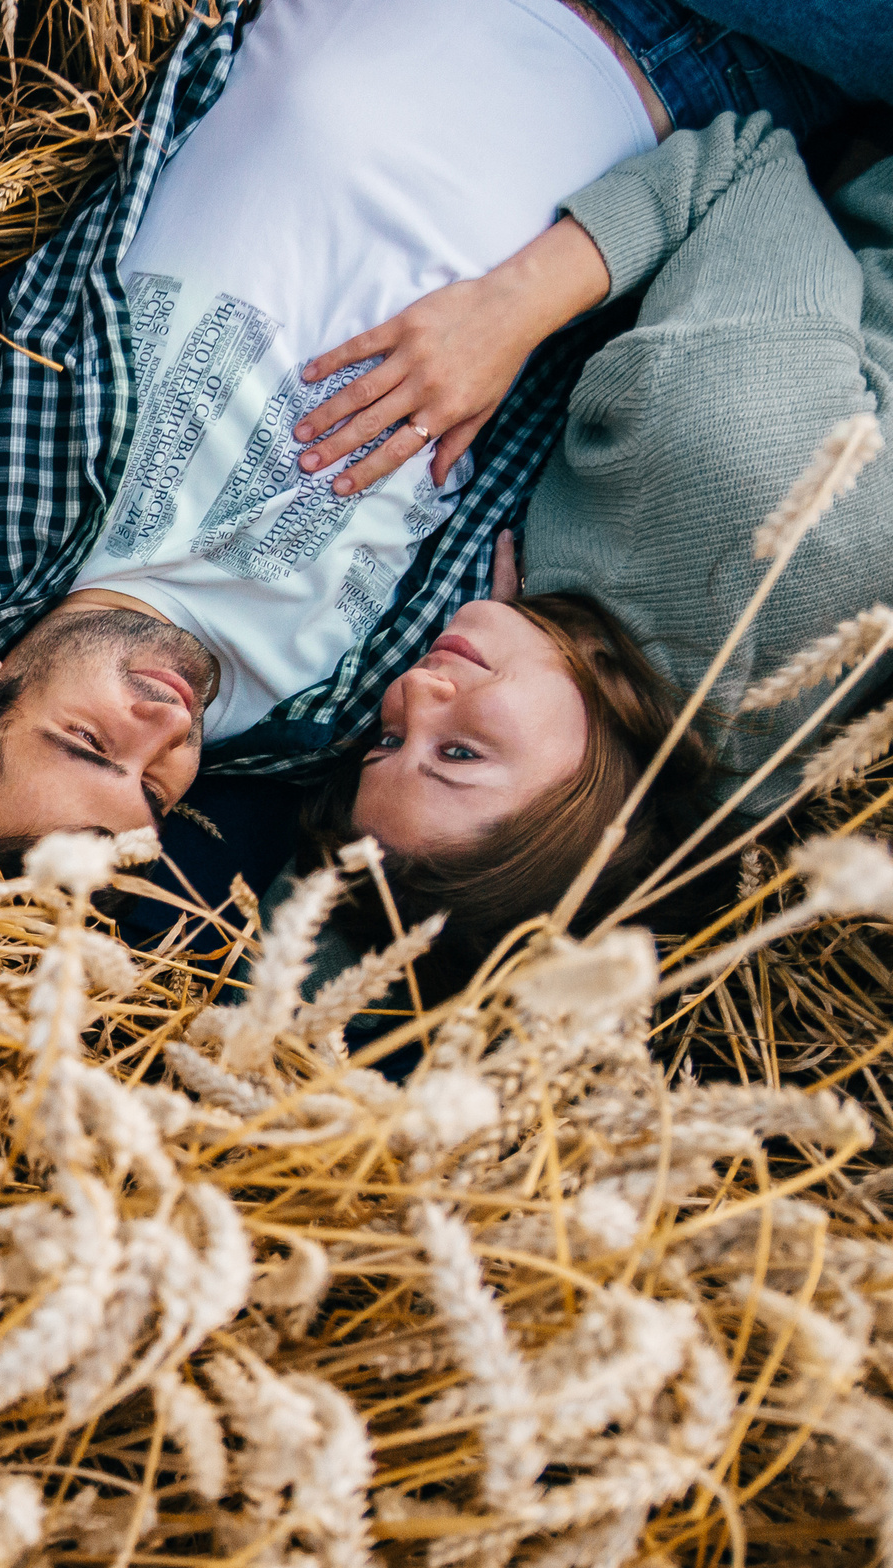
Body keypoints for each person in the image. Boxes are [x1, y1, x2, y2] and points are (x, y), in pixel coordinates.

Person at [0, 0, 853, 883]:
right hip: (701, 78)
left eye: (88, 743)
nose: (161, 736)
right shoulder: (337, 711)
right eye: (152, 793)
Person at [293, 109, 893, 989]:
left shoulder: (734, 784)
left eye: (387, 738)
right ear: (595, 822)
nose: (414, 692)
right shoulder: (708, 466)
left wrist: (550, 625)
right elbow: (746, 166)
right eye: (458, 753)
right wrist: (507, 310)